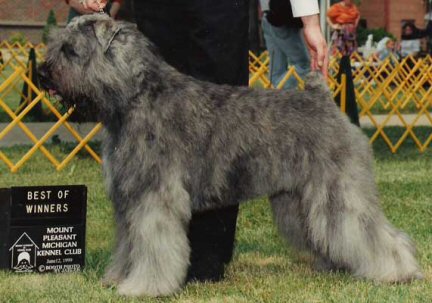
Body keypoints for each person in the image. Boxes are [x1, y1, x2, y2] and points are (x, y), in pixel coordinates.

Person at [77, 0, 328, 283]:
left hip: (219, 9)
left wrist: (309, 20)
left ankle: (206, 256)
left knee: (224, 137)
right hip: (158, 12)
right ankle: (143, 263)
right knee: (146, 168)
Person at [260, 0, 311, 89]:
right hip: (283, 21)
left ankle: (274, 94)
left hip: (267, 17)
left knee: (276, 72)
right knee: (304, 66)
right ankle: (278, 91)